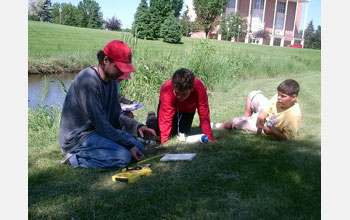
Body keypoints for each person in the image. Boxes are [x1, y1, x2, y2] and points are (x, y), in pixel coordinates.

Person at [58, 40, 156, 168]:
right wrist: (127, 145)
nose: (122, 72)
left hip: (97, 131)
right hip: (79, 137)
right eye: (118, 67)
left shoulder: (111, 81)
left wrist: (137, 127)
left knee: (139, 148)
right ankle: (75, 158)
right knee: (123, 157)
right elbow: (101, 124)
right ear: (105, 60)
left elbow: (116, 116)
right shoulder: (88, 81)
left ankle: (108, 150)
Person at [211, 79, 301, 140]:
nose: (279, 98)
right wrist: (260, 118)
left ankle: (220, 125)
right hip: (264, 118)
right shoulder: (279, 98)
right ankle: (245, 119)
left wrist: (273, 132)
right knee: (253, 94)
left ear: (293, 97)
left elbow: (289, 139)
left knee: (236, 121)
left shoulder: (293, 115)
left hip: (267, 126)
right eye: (278, 94)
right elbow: (266, 108)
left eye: (283, 96)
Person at [153, 68, 214, 144]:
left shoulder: (199, 87)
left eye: (183, 94)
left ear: (191, 89)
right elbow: (166, 118)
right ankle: (151, 119)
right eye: (177, 93)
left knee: (183, 134)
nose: (179, 97)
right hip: (169, 109)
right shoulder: (167, 90)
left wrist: (209, 137)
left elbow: (204, 114)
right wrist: (164, 142)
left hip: (187, 110)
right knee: (161, 132)